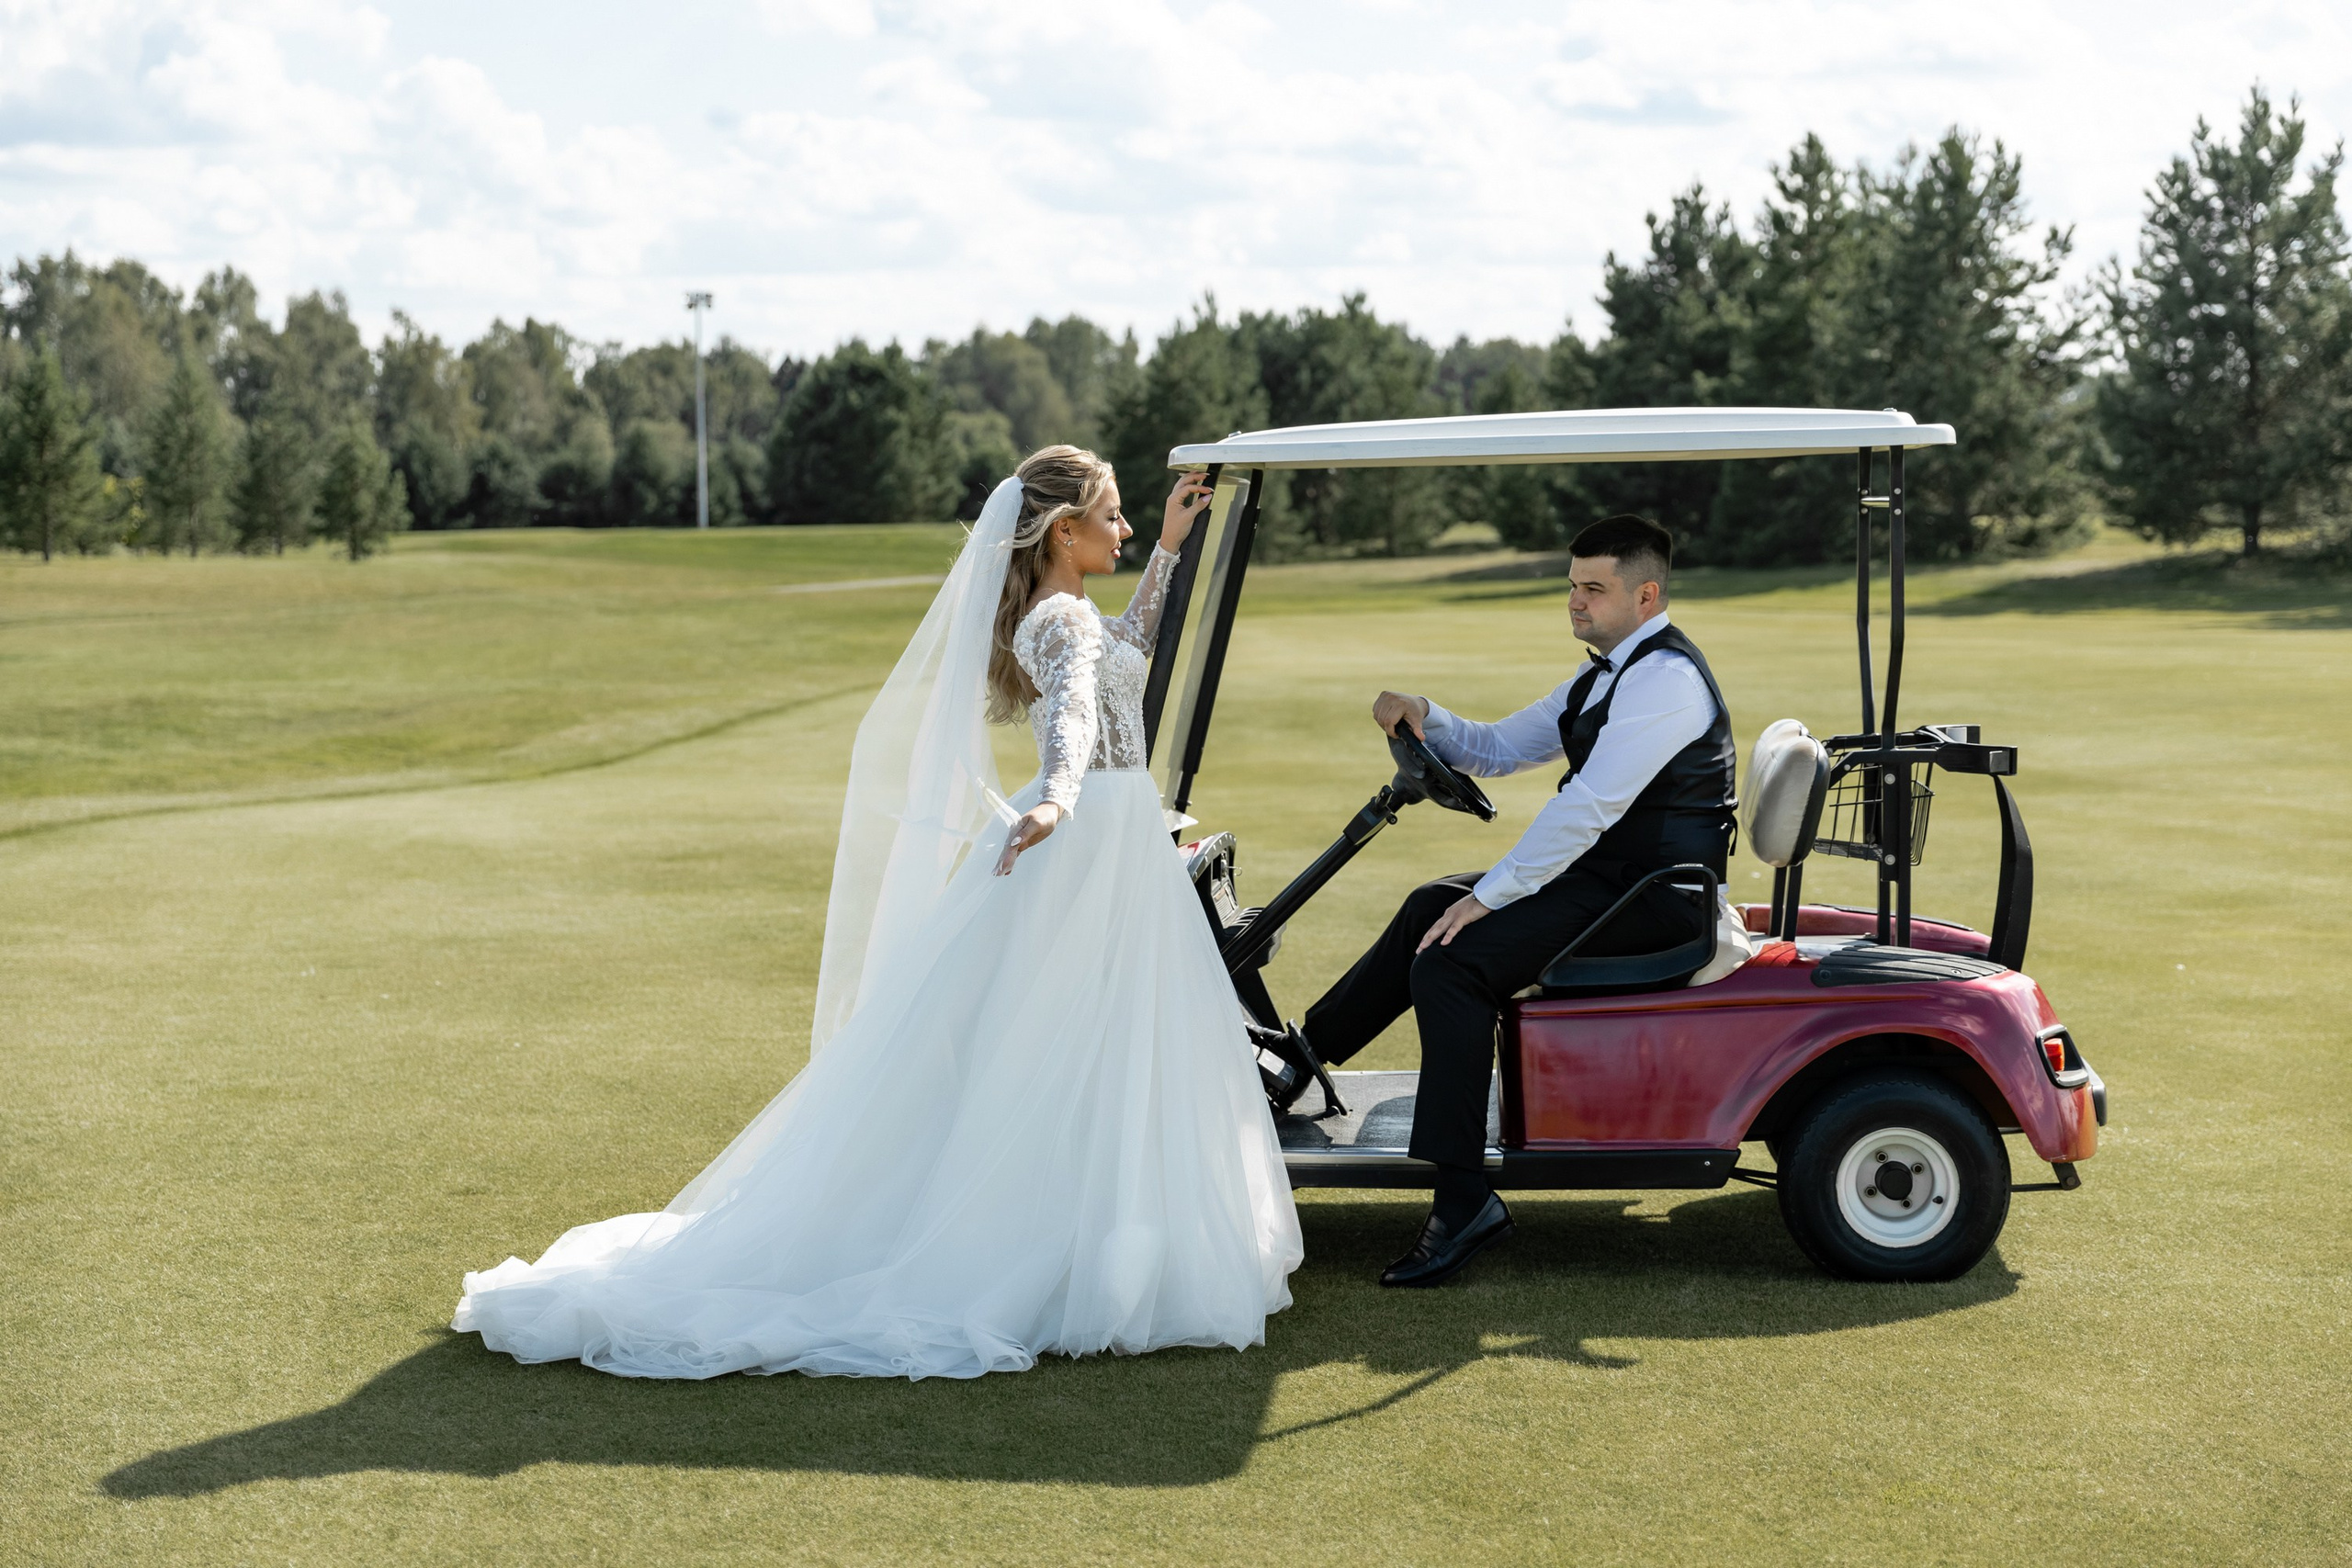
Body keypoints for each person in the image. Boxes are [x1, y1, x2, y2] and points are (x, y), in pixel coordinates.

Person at [452, 447, 1302, 1379]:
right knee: (1072, 1042)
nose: (1127, 527)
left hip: (1113, 839)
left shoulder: (1065, 614)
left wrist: (1173, 553)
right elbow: (1071, 722)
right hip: (1091, 836)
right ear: (1064, 531)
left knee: (1085, 1043)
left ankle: (1091, 1236)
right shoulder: (1058, 621)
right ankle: (1062, 1246)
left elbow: (1124, 662)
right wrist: (1057, 797)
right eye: (1115, 517)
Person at [1263, 514, 1736, 1289]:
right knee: (1428, 907)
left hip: (1654, 902)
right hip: (1609, 884)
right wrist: (1428, 715)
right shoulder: (1604, 672)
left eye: (1594, 588)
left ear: (1646, 594)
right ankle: (1304, 1056)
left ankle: (1463, 1199)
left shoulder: (1667, 682)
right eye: (1572, 585)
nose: (1576, 602)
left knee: (1453, 964)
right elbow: (1501, 746)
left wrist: (1492, 895)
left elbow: (1587, 808)